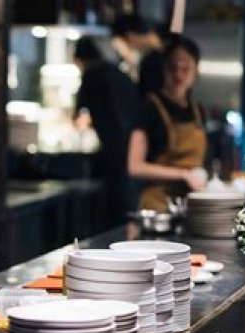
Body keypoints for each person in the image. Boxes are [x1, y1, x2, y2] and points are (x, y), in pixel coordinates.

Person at [127, 34, 207, 212]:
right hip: (158, 205)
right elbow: (134, 167)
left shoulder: (198, 111)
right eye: (173, 68)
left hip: (191, 205)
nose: (179, 75)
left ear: (195, 70)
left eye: (185, 69)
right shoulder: (149, 107)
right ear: (164, 69)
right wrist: (183, 175)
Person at [73, 36, 140, 226]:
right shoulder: (114, 71)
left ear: (78, 59)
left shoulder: (91, 73)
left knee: (114, 204)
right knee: (126, 200)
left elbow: (78, 115)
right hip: (131, 141)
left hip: (114, 147)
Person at [111, 13, 164, 97]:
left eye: (119, 49)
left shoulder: (155, 60)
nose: (121, 54)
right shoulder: (153, 54)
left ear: (129, 37)